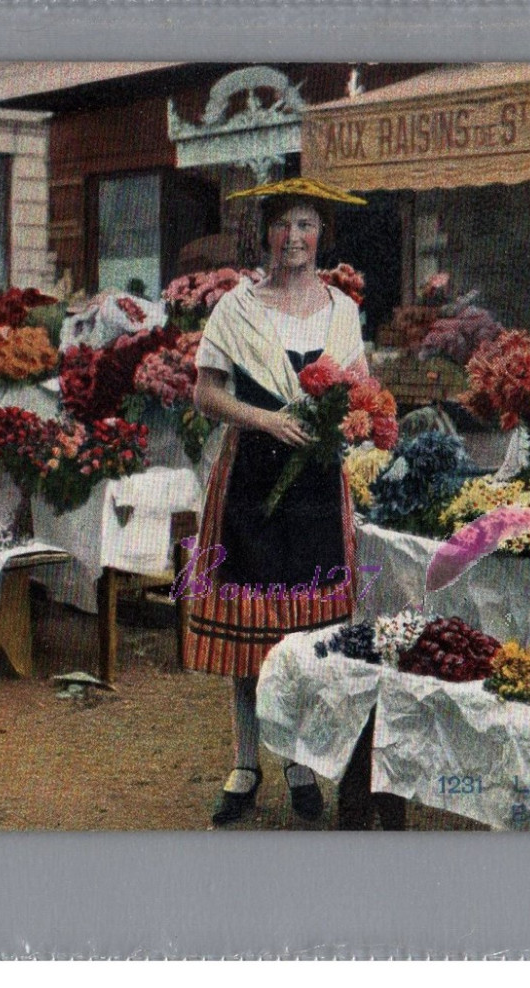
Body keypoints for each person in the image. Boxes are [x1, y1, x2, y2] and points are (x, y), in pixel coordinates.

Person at [183, 177, 369, 826]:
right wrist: (266, 421)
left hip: (316, 487)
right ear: (265, 231)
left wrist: (346, 423)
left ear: (324, 236)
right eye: (284, 224)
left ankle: (294, 759)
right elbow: (206, 395)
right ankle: (244, 762)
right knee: (250, 631)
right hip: (252, 484)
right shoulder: (238, 308)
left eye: (307, 225)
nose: (295, 237)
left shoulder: (342, 311)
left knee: (305, 635)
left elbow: (362, 391)